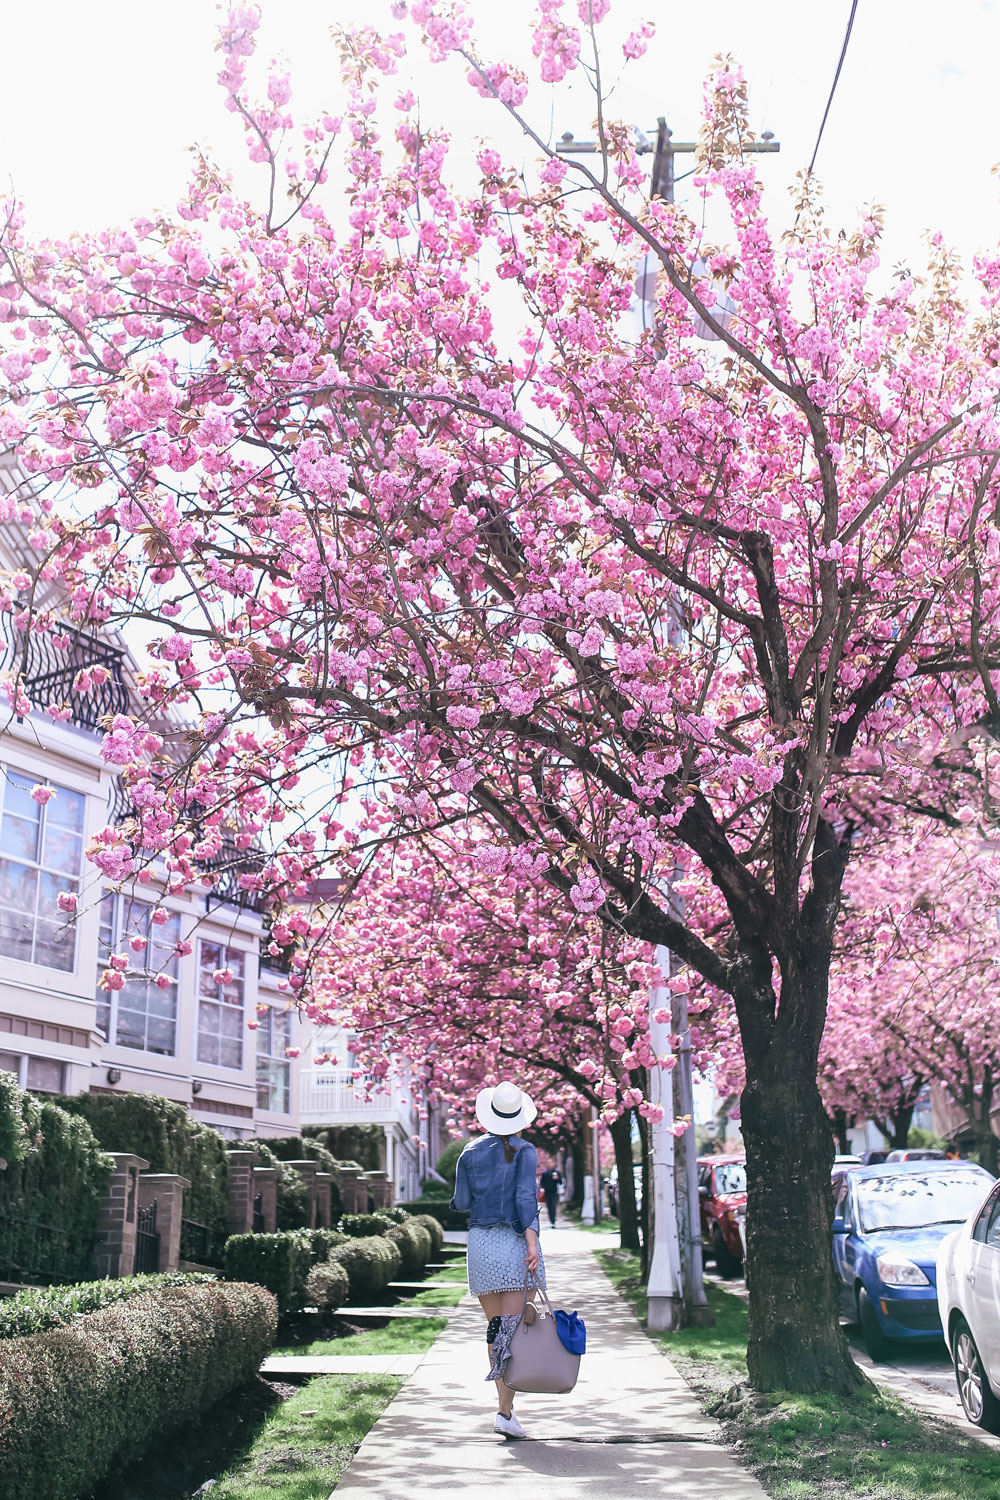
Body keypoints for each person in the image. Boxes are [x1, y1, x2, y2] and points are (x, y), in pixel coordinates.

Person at [451, 1080, 545, 1440]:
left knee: (496, 1330)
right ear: (520, 1117)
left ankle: (505, 1411)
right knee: (514, 1331)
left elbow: (461, 1202)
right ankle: (505, 1412)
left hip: (481, 1245)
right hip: (514, 1241)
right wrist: (532, 1243)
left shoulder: (468, 1153)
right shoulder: (525, 1150)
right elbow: (525, 1200)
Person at [539, 1163, 562, 1229]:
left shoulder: (556, 1172)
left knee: (553, 1206)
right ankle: (551, 1220)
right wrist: (542, 1188)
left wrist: (557, 1178)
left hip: (554, 1192)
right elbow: (542, 1182)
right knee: (549, 1207)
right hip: (547, 1192)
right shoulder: (545, 1173)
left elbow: (560, 1182)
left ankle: (553, 1222)